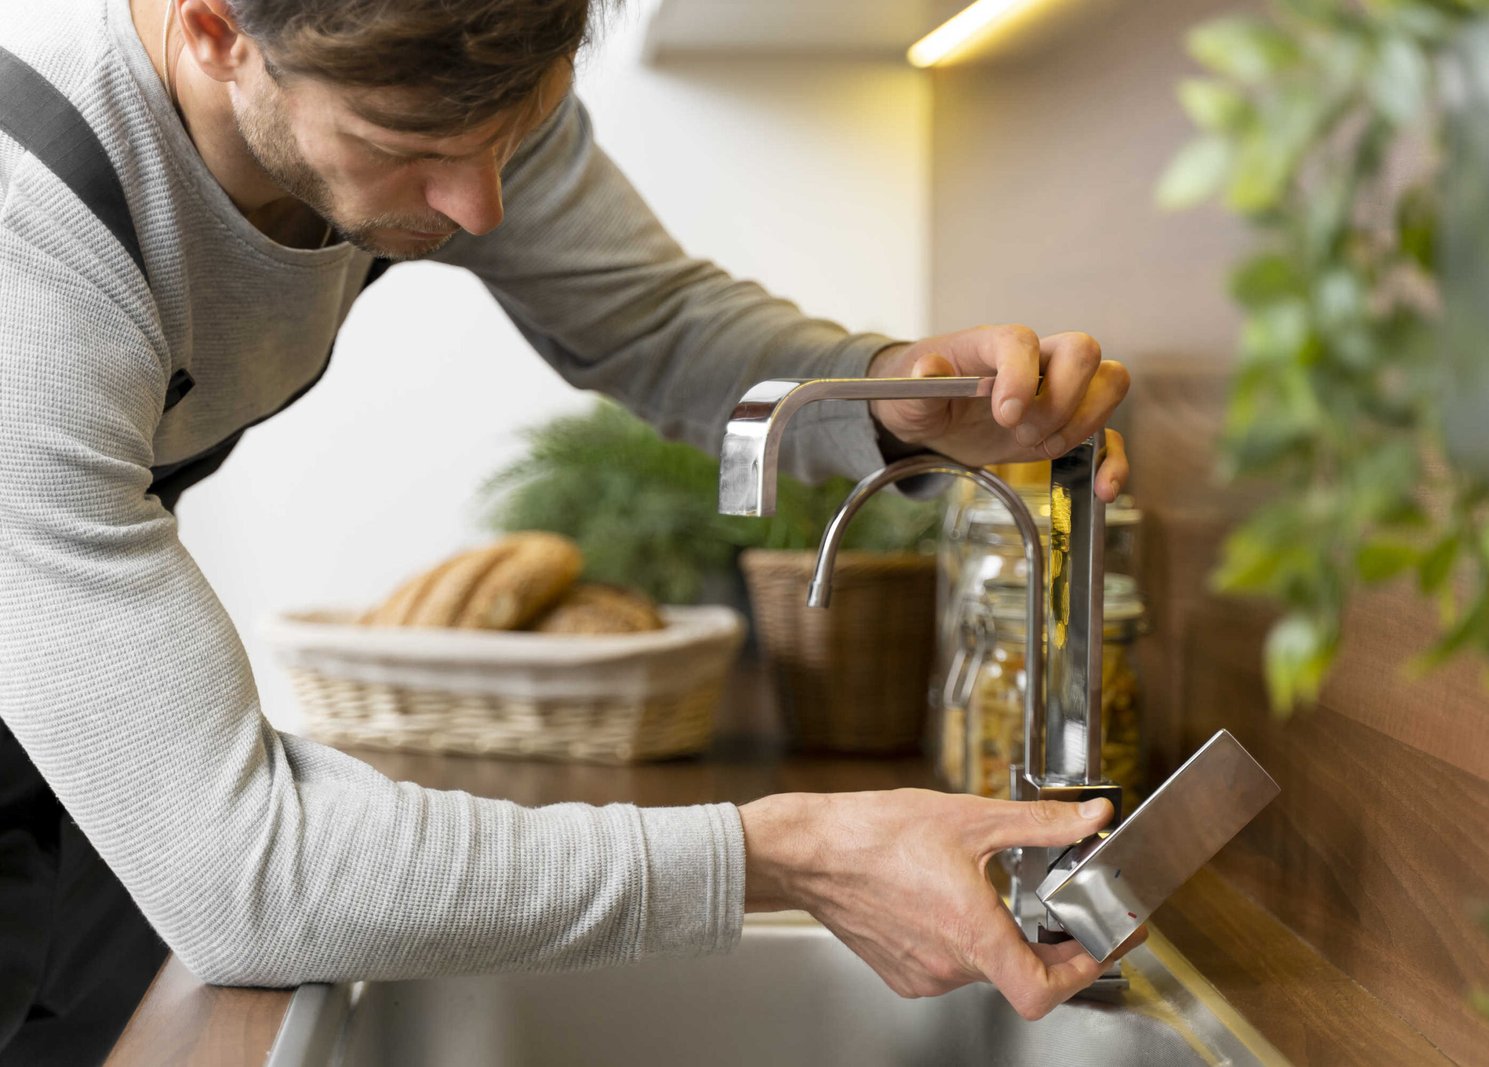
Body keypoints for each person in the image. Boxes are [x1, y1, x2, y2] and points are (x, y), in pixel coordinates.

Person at [0, 0, 1135, 1060]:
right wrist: (779, 854)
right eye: (409, 146)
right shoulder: (29, 268)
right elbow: (250, 876)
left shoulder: (446, 74)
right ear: (213, 31)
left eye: (517, 128)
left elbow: (648, 317)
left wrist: (888, 395)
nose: (480, 206)